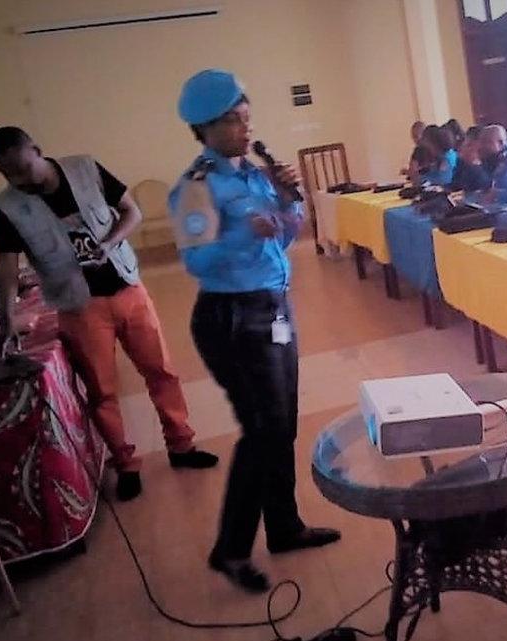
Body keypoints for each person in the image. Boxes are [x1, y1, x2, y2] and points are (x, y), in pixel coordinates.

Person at [171, 69, 340, 593]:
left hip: (274, 309)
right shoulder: (196, 188)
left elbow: (283, 240)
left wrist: (289, 202)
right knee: (262, 430)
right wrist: (244, 233)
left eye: (247, 118)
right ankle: (230, 549)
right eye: (233, 121)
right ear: (205, 128)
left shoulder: (256, 175)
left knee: (282, 425)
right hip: (231, 319)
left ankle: (284, 527)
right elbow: (195, 261)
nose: (245, 129)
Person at [0, 126, 218, 502]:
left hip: (129, 288)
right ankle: (125, 465)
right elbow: (7, 266)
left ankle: (181, 445)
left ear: (38, 150)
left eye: (22, 168)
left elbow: (131, 211)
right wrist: (6, 316)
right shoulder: (7, 206)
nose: (17, 180)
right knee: (102, 392)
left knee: (161, 372)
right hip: (78, 308)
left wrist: (110, 242)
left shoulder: (85, 168)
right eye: (6, 173)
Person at [451, 126, 491, 192]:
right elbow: (452, 186)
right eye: (464, 144)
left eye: (468, 145)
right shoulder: (461, 164)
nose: (462, 148)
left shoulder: (480, 173)